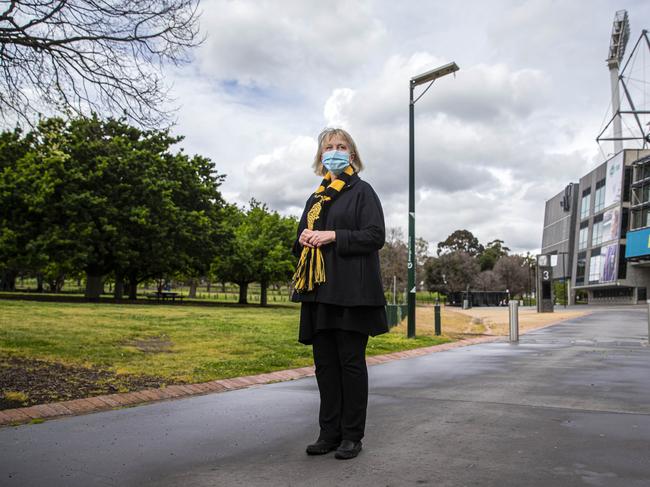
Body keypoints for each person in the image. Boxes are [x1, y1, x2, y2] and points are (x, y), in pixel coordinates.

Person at [291, 127, 389, 460]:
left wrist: (333, 235)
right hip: (318, 293)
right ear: (321, 156)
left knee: (350, 364)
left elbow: (375, 236)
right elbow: (298, 242)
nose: (334, 150)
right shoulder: (315, 198)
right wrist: (303, 239)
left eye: (341, 146)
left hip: (351, 293)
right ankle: (328, 433)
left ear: (352, 154)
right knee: (324, 367)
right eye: (328, 146)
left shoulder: (362, 191)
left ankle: (351, 436)